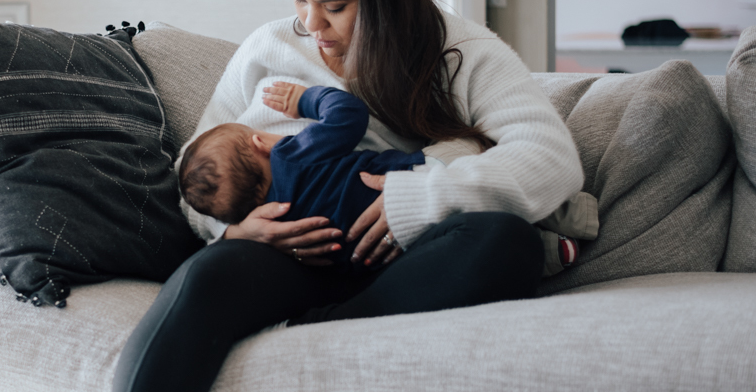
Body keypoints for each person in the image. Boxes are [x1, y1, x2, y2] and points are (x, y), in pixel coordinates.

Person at [95, 0, 585, 392]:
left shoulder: (463, 53)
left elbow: (551, 157)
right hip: (286, 251)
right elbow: (195, 165)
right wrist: (235, 228)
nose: (310, 24)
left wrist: (425, 196)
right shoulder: (268, 47)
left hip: (399, 260)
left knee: (504, 244)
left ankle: (326, 328)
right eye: (299, 0)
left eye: (334, 7)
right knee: (206, 280)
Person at [179, 81, 592, 273]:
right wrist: (304, 98)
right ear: (259, 143)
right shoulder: (294, 152)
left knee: (461, 238)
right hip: (411, 182)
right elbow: (348, 115)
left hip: (381, 259)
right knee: (470, 161)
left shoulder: (278, 230)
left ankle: (550, 255)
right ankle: (569, 213)